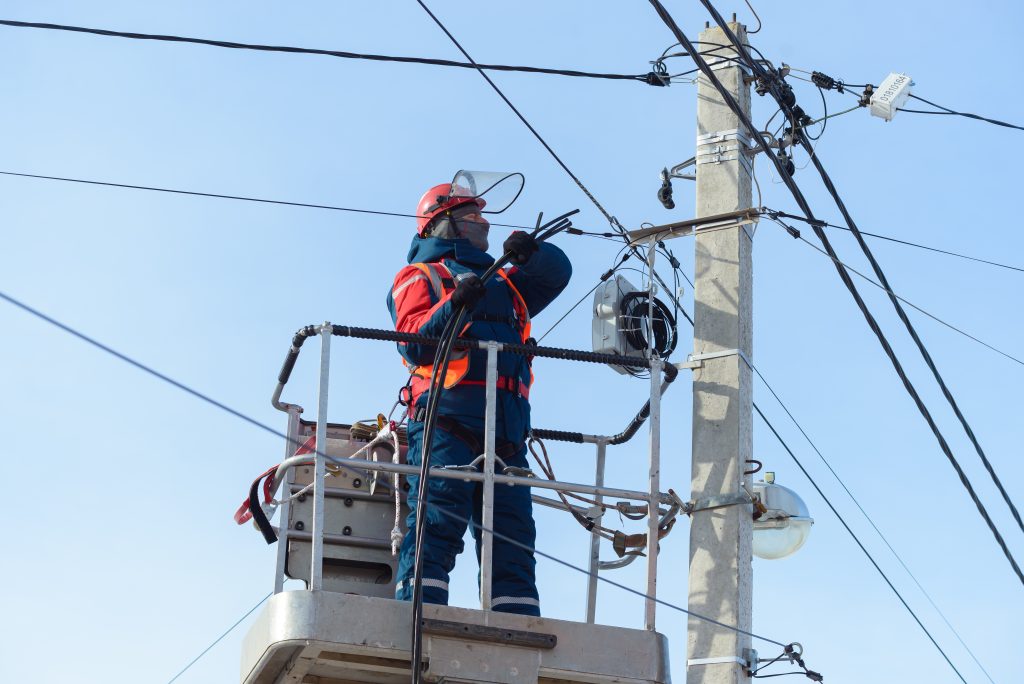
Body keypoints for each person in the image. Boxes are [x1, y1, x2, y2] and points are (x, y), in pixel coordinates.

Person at [387, 182, 571, 616]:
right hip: (445, 422)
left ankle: (517, 627)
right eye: (472, 215)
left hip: (507, 430)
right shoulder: (420, 276)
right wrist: (456, 305)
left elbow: (557, 273)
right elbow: (414, 343)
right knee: (435, 523)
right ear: (443, 224)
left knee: (512, 537)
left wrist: (532, 254)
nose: (483, 222)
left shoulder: (506, 282)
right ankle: (417, 618)